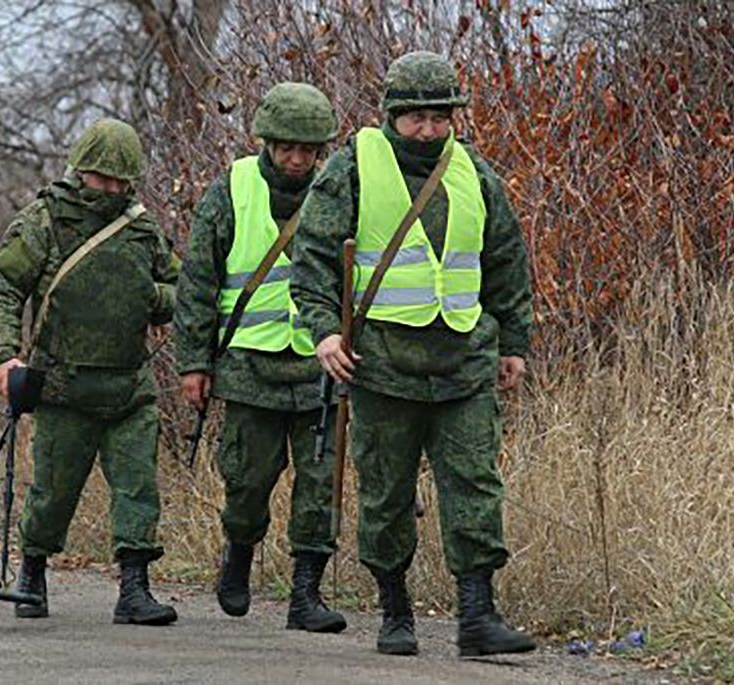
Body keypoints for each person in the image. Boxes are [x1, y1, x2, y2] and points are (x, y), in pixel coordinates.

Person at [290, 51, 537, 657]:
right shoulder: (351, 168)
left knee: (476, 486)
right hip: (381, 366)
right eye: (415, 118)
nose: (427, 129)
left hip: (464, 362)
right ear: (390, 116)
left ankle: (477, 618)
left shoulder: (474, 173)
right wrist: (324, 332)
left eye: (439, 116)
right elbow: (314, 259)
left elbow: (504, 260)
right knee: (385, 492)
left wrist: (512, 344)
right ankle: (394, 613)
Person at [0, 118, 179, 626]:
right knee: (51, 493)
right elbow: (1, 287)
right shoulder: (44, 220)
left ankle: (134, 589)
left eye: (120, 181)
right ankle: (32, 577)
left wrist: (152, 297)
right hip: (62, 388)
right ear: (80, 171)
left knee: (138, 489)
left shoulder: (141, 228)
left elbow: (183, 290)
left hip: (129, 388)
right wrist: (5, 357)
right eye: (101, 179)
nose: (111, 190)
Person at [173, 82, 346, 633]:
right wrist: (194, 364)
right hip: (249, 368)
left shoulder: (340, 191)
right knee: (247, 483)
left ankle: (305, 596)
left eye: (308, 149)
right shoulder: (232, 189)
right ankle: (239, 556)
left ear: (321, 150)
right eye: (286, 147)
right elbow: (198, 281)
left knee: (320, 485)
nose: (297, 159)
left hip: (322, 367)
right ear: (266, 143)